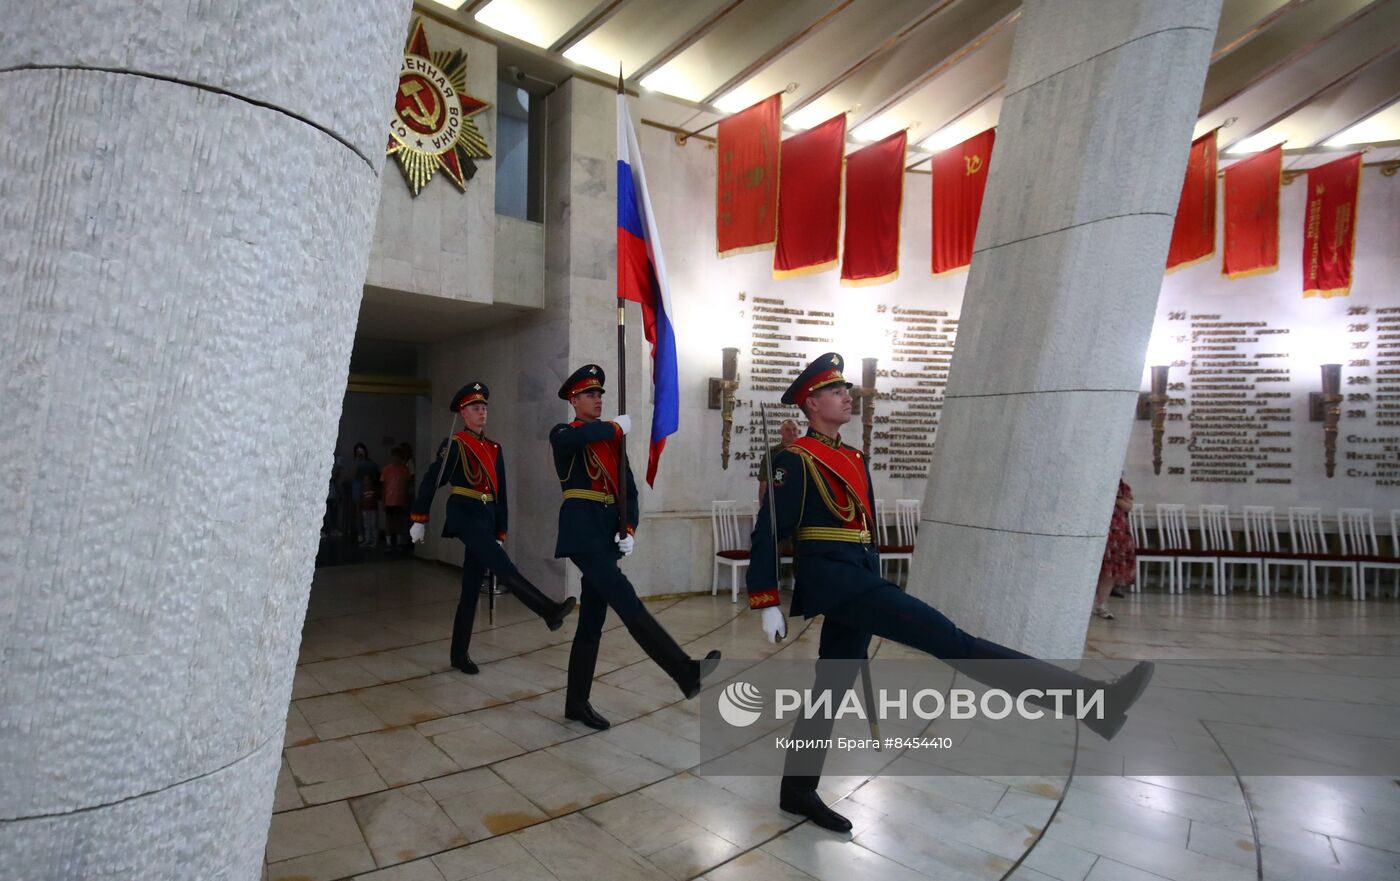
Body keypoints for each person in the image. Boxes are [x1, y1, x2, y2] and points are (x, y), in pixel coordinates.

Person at [748, 353, 1155, 833]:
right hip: (838, 582)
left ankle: (796, 789)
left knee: (830, 688)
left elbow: (866, 532)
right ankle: (1093, 703)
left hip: (861, 575)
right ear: (812, 403)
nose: (847, 396)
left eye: (846, 390)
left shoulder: (853, 457)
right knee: (954, 642)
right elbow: (769, 530)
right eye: (836, 391)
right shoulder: (794, 460)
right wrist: (766, 597)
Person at [551, 364, 721, 730]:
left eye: (600, 394)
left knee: (591, 623)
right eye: (590, 395)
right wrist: (614, 426)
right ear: (573, 400)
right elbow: (571, 442)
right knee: (626, 601)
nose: (597, 399)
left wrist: (629, 526)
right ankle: (684, 671)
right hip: (583, 534)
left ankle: (575, 703)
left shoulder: (613, 440)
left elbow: (626, 487)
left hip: (606, 535)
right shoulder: (565, 432)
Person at [411, 382, 577, 674]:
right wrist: (419, 519)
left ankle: (459, 655)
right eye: (476, 407)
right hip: (465, 513)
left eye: (484, 407)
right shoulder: (456, 444)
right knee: (503, 567)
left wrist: (500, 531)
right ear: (463, 413)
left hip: (486, 517)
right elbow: (431, 480)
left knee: (471, 590)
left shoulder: (494, 447)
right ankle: (547, 610)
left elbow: (501, 493)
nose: (482, 412)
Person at [1094, 477, 1135, 617]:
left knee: (1110, 571)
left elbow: (1128, 506)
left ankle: (1102, 604)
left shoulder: (1123, 486)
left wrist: (1117, 499)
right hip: (1100, 529)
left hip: (1117, 532)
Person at [757, 419, 800, 501]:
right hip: (780, 501)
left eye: (794, 429)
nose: (792, 433)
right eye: (787, 430)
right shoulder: (772, 454)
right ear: (780, 432)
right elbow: (764, 482)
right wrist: (763, 509)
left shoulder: (806, 452)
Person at [380, 447, 412, 551]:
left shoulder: (405, 470)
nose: (396, 458)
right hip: (389, 499)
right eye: (394, 456)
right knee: (389, 521)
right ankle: (389, 543)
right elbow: (384, 486)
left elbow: (407, 485)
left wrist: (406, 498)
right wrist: (383, 500)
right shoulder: (387, 469)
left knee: (399, 521)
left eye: (398, 456)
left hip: (400, 499)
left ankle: (398, 543)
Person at [350, 442, 379, 544]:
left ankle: (371, 536)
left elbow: (376, 474)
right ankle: (360, 534)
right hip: (357, 488)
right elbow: (352, 475)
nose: (360, 452)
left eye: (361, 450)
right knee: (359, 512)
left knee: (370, 511)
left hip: (369, 488)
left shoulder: (371, 463)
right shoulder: (355, 463)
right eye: (358, 451)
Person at [359, 470, 380, 548]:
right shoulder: (363, 490)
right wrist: (361, 508)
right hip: (365, 510)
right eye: (365, 479)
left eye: (368, 479)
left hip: (373, 510)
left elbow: (376, 499)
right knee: (366, 525)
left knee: (373, 525)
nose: (366, 481)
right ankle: (368, 540)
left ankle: (374, 540)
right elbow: (362, 500)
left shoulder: (374, 489)